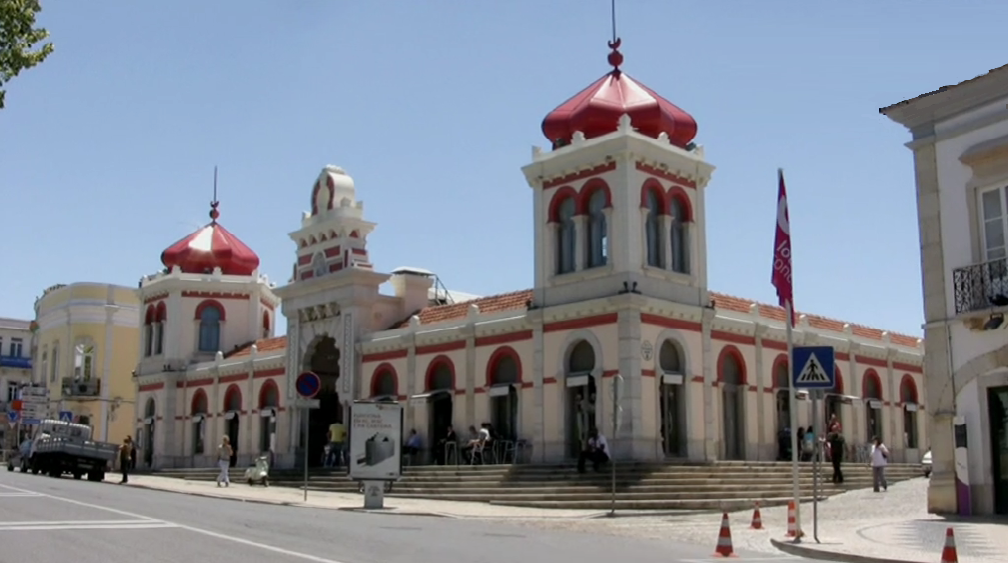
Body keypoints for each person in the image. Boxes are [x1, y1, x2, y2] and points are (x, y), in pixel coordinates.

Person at [826, 414, 845, 484]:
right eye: (834, 429)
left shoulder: (840, 436)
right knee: (835, 465)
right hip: (833, 452)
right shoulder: (830, 435)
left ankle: (837, 478)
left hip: (839, 452)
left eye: (836, 429)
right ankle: (839, 478)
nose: (835, 430)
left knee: (837, 465)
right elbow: (828, 441)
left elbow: (843, 442)